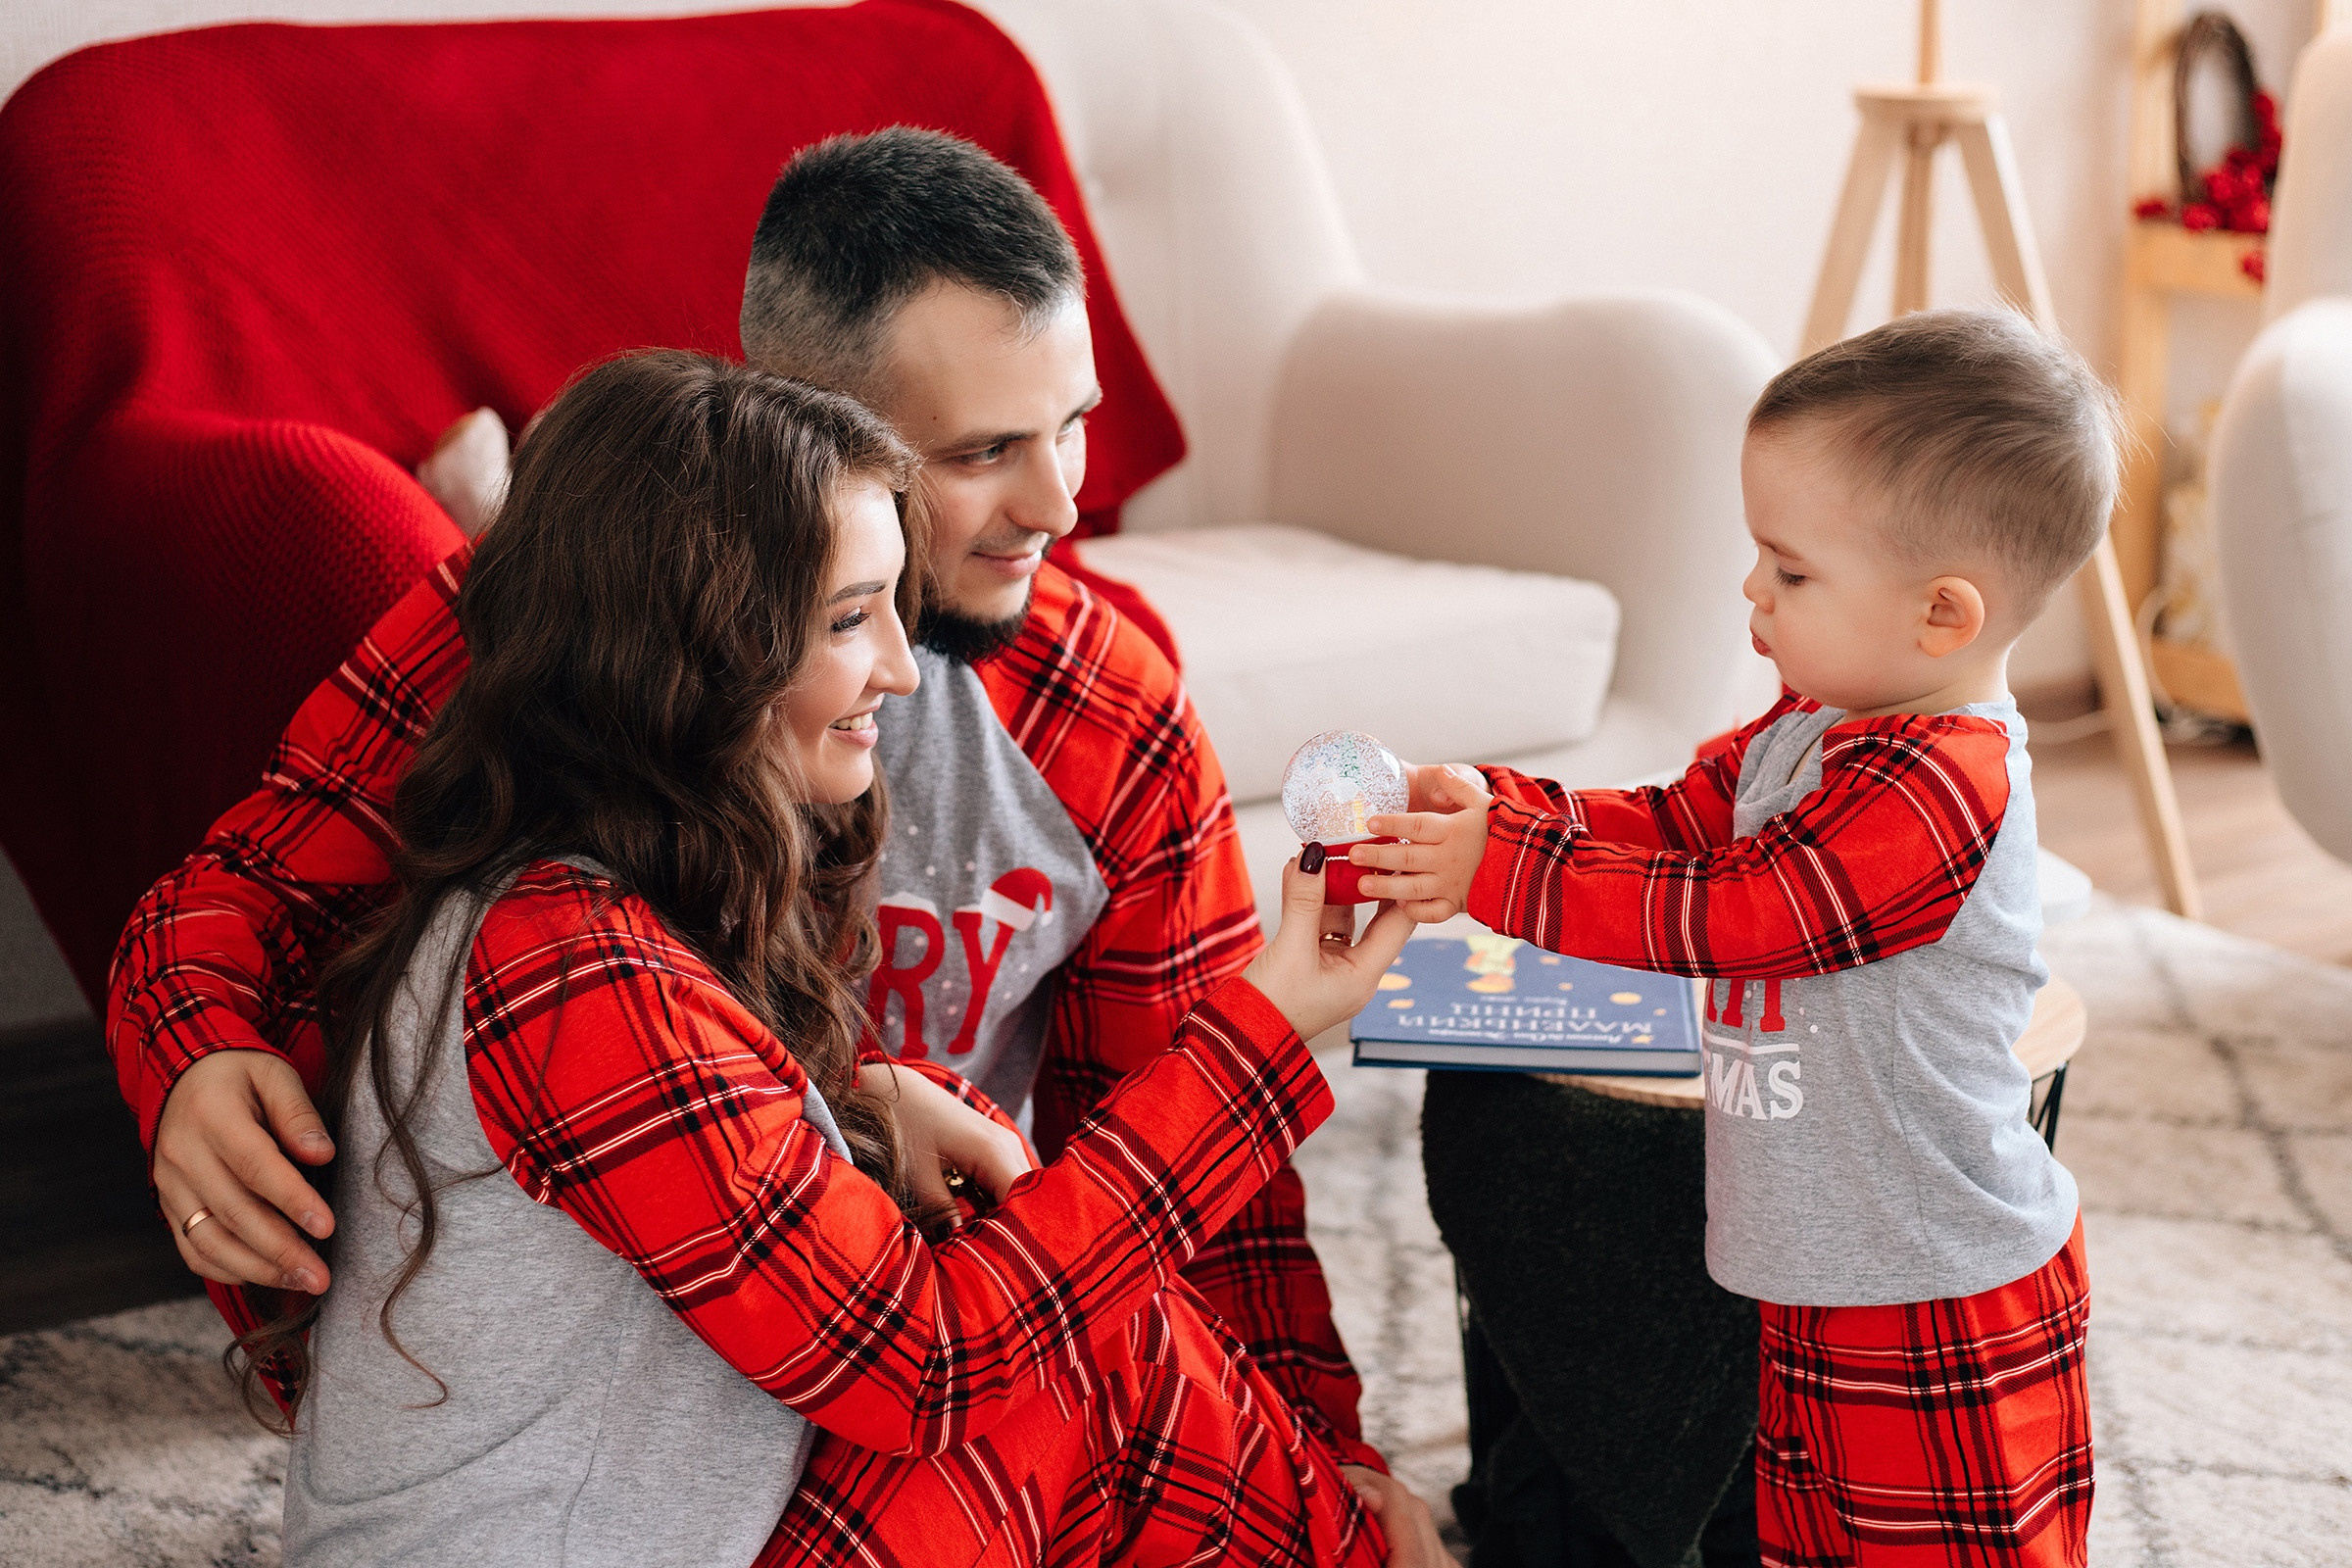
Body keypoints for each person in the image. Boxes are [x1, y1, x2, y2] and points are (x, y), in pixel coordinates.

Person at [106, 126, 1430, 1527]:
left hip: (859, 1310)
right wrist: (194, 1047)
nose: (1060, 507)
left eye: (1074, 424)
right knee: (1079, 1366)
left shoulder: (1107, 711)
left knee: (1098, 1320)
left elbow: (1190, 1181)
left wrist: (1332, 1451)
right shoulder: (557, 676)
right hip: (649, 1413)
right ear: (804, 435)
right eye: (983, 452)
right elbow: (234, 898)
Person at [1356, 309, 2104, 1567]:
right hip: (1815, 1265)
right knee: (1804, 1537)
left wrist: (1503, 873)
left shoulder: (1944, 781)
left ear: (1942, 615)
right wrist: (1507, 806)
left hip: (1935, 1283)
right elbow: (1676, 822)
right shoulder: (1813, 726)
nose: (1751, 591)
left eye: (1791, 571)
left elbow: (1734, 912)